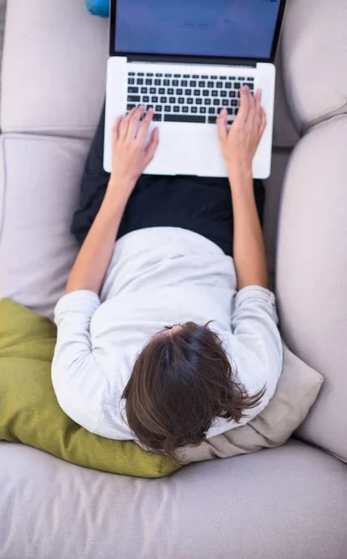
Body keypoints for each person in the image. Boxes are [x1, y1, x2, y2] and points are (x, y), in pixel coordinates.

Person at [51, 86, 283, 463]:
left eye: (160, 333)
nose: (169, 319)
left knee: (133, 80)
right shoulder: (253, 376)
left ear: (129, 380)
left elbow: (79, 296)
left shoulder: (88, 394)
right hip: (213, 226)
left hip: (117, 228)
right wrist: (239, 167)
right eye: (193, 325)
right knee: (221, 80)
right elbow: (253, 291)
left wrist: (123, 179)